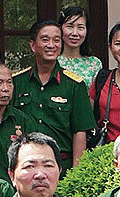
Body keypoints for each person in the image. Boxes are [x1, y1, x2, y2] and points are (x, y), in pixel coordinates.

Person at [12, 20, 95, 171]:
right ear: (33, 45)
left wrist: (76, 173)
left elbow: (80, 132)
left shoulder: (74, 85)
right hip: (25, 165)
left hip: (61, 166)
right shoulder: (17, 82)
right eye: (45, 40)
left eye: (56, 40)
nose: (51, 45)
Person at [56, 4, 102, 87]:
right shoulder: (52, 61)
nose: (74, 33)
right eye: (69, 26)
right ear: (60, 28)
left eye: (80, 27)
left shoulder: (94, 63)